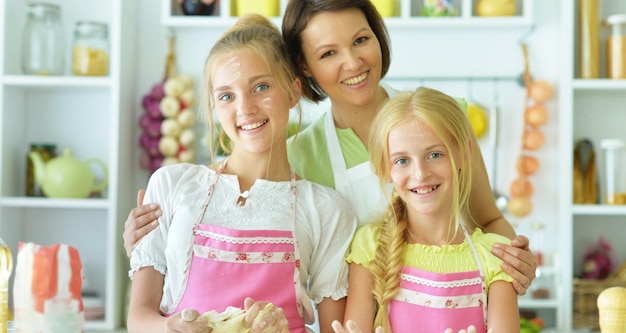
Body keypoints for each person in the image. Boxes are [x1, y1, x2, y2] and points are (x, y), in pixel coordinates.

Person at [123, 0, 536, 295]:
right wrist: (155, 236)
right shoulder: (298, 152)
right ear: (304, 68)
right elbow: (229, 220)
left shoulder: (445, 120)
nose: (353, 63)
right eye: (329, 53)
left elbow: (489, 218)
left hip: (459, 318)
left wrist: (516, 261)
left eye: (361, 40)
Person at [126, 14, 357, 333]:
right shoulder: (172, 185)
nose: (245, 108)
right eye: (226, 96)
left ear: (294, 91)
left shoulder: (325, 209)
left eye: (261, 87)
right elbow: (139, 320)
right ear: (215, 107)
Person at [315, 87, 522, 333]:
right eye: (402, 160)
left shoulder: (494, 253)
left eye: (435, 154)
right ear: (384, 168)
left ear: (463, 154)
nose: (420, 173)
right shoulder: (371, 245)